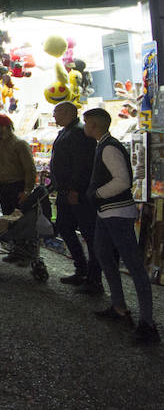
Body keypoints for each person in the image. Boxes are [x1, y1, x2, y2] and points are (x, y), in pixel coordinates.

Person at [82, 108, 159, 344]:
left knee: (134, 266)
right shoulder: (105, 145)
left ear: (94, 125)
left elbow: (123, 181)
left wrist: (97, 193)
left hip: (116, 213)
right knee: (104, 255)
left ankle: (148, 324)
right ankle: (118, 306)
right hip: (108, 213)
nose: (84, 127)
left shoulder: (109, 148)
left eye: (87, 123)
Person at [49, 102, 102, 292]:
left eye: (56, 113)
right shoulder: (67, 131)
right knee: (64, 227)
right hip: (65, 191)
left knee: (89, 233)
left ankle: (94, 279)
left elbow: (83, 165)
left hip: (77, 193)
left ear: (67, 113)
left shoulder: (79, 132)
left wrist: (74, 189)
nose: (53, 116)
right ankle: (82, 268)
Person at [0, 114, 36, 262]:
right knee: (8, 219)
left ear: (4, 126)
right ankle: (16, 251)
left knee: (20, 220)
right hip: (2, 187)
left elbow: (30, 169)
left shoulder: (19, 144)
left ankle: (24, 252)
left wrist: (27, 190)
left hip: (17, 186)